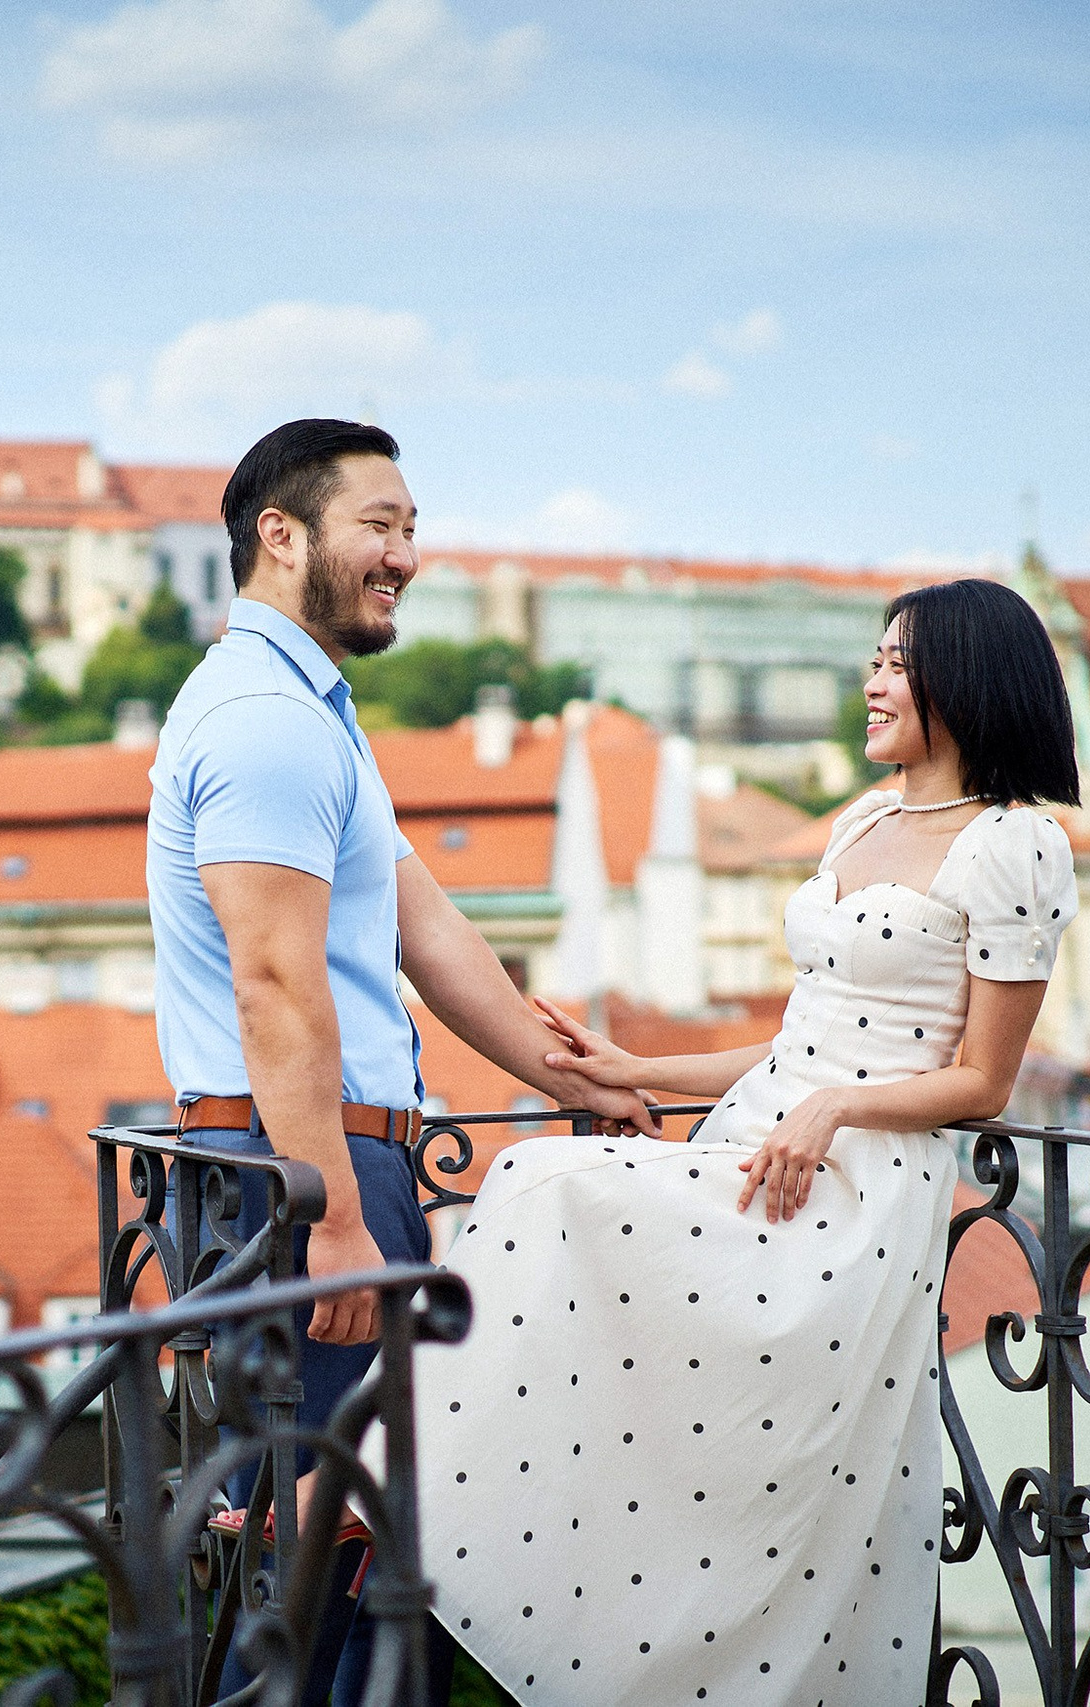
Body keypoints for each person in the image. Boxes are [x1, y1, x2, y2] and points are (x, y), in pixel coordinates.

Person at [414, 576, 1083, 1704]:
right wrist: (642, 1073)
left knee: (541, 1180)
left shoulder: (1014, 846)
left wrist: (837, 1111)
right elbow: (800, 1041)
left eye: (896, 662)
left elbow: (983, 1080)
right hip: (764, 1140)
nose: (870, 681)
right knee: (557, 1226)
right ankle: (429, 1511)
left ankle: (395, 1498)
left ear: (966, 682)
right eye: (872, 657)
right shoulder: (862, 820)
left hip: (859, 1189)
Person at [146, 418, 657, 1705]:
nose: (406, 555)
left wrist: (571, 1080)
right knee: (306, 1587)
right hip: (296, 1183)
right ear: (280, 535)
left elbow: (426, 928)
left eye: (411, 528)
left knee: (346, 1568)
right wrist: (326, 1221)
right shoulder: (265, 718)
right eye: (379, 524)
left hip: (315, 1171)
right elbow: (275, 983)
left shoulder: (311, 711)